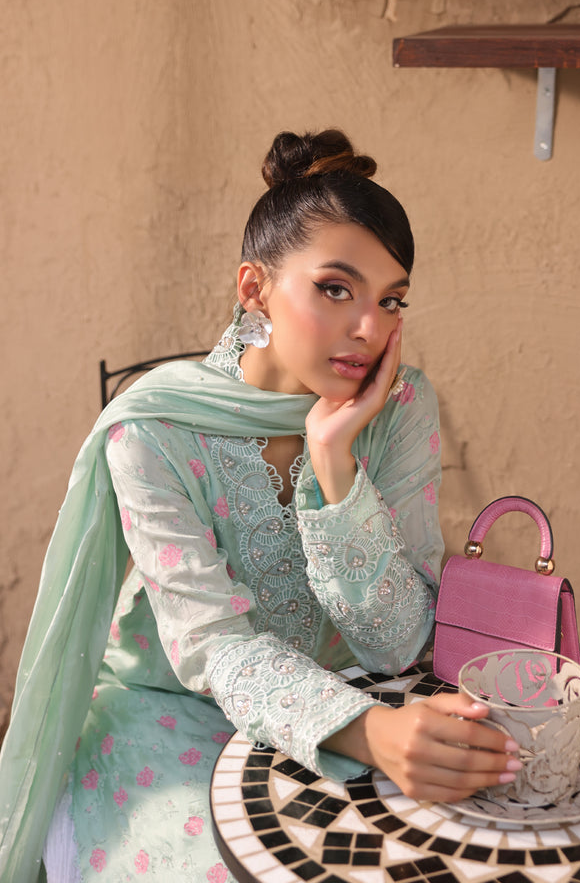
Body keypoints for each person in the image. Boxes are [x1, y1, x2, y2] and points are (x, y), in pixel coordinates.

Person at [0, 129, 521, 882]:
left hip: (363, 701)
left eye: (391, 300)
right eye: (336, 289)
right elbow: (214, 646)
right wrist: (369, 733)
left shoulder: (401, 407)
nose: (368, 329)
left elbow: (398, 644)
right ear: (254, 289)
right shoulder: (154, 430)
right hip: (174, 719)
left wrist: (334, 464)